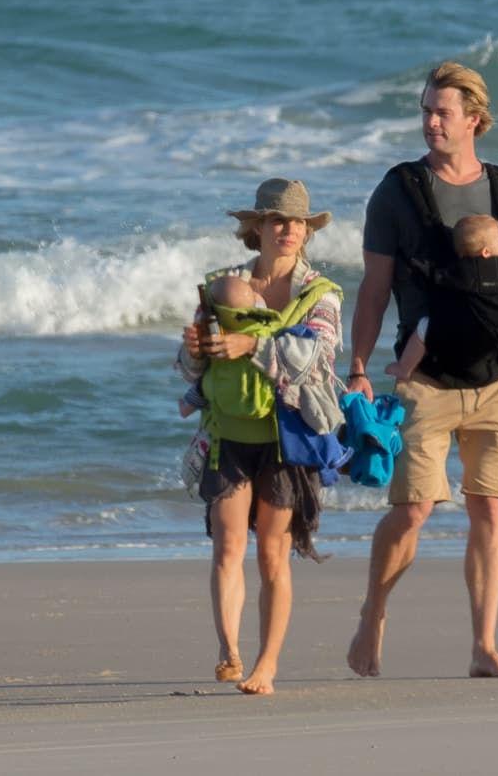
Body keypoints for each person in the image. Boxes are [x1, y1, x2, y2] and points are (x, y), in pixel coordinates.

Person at [345, 61, 498, 680]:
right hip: (426, 380)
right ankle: (374, 610)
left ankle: (483, 647)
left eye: (442, 111)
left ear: (474, 119)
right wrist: (359, 367)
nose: (430, 121)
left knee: (488, 510)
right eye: (425, 110)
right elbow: (374, 288)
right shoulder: (397, 190)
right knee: (413, 509)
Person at [176, 177, 344, 695]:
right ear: (258, 228)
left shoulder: (320, 294)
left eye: (297, 221)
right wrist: (195, 350)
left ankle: (266, 665)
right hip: (227, 432)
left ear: (307, 231)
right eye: (277, 220)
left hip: (285, 436)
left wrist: (249, 342)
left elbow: (315, 358)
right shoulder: (221, 287)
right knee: (227, 546)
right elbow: (188, 370)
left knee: (272, 553)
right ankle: (229, 651)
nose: (288, 229)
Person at [384, 215, 498, 382]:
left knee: (423, 327)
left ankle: (404, 368)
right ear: (486, 252)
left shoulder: (458, 271)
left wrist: (411, 262)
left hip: (463, 336)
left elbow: (433, 276)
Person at [179, 276, 265, 417]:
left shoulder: (310, 291)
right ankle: (187, 405)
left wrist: (253, 345)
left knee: (204, 387)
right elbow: (189, 370)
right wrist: (195, 353)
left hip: (271, 415)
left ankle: (187, 405)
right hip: (221, 417)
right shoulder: (226, 282)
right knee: (205, 384)